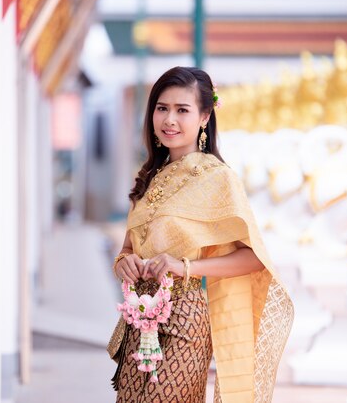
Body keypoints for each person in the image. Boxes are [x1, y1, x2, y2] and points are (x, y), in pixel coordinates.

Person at [107, 66, 294, 403]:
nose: (169, 120)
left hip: (184, 322)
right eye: (162, 108)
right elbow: (127, 249)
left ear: (205, 116)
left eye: (182, 110)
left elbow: (254, 258)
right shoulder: (149, 177)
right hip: (139, 317)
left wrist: (185, 267)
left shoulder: (218, 179)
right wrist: (124, 263)